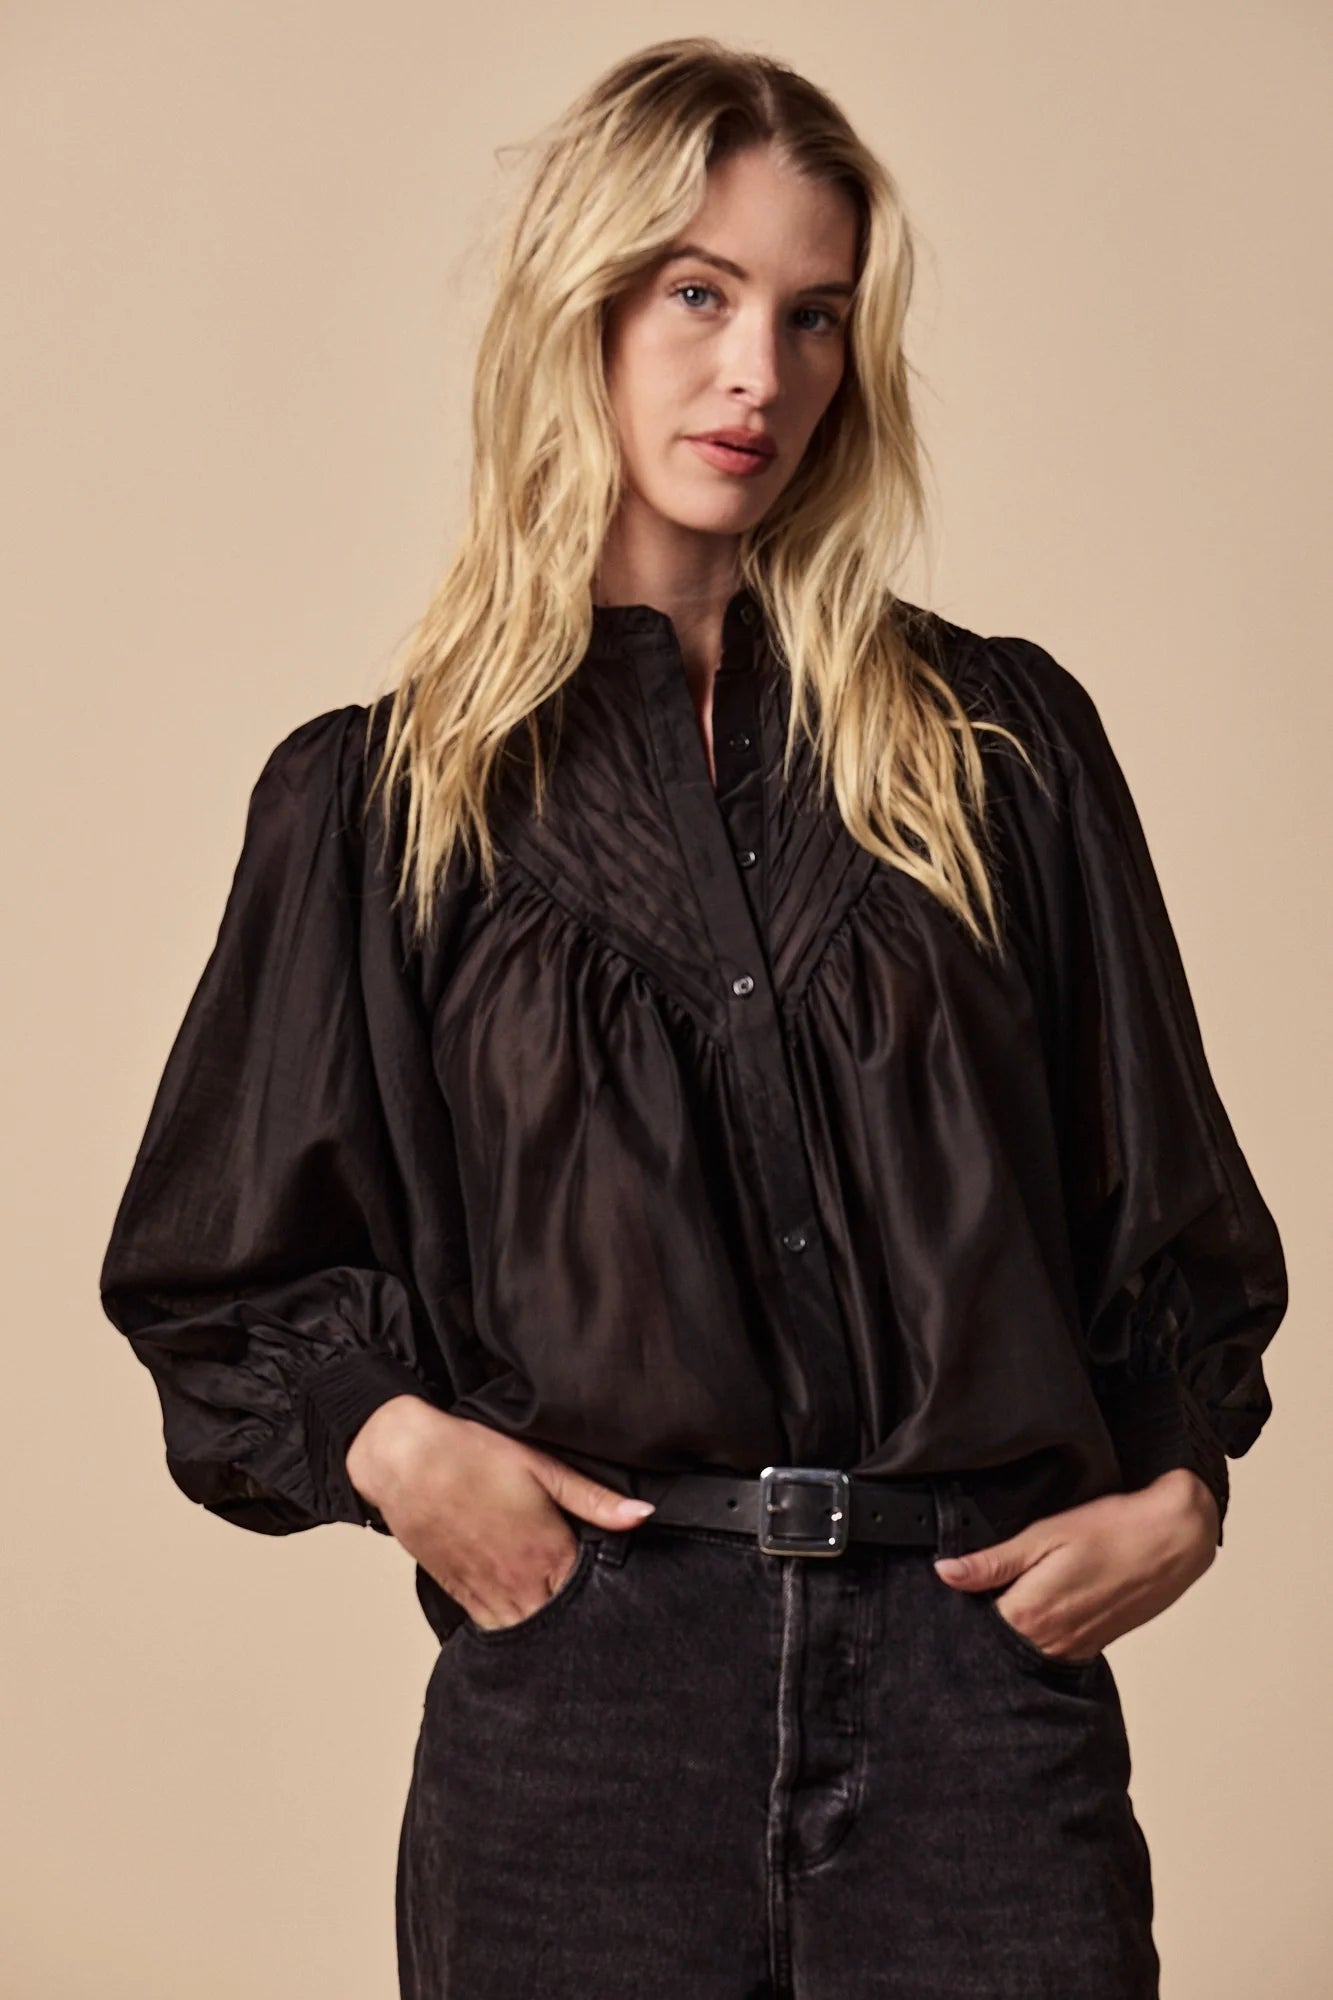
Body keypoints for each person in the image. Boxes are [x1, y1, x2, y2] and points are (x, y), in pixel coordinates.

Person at [98, 35, 1288, 2000]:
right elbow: (214, 1272)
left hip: (974, 1693)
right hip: (588, 1706)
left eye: (812, 319)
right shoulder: (385, 803)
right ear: (582, 304)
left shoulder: (1002, 751)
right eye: (699, 295)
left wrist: (1178, 1492)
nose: (759, 373)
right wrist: (397, 1446)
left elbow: (1162, 1218)